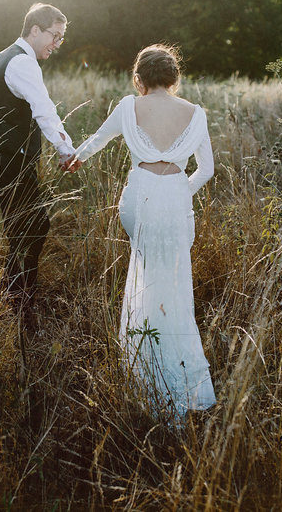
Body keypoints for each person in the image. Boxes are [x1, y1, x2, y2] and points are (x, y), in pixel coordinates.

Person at [66, 44, 216, 419]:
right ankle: (179, 377)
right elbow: (207, 169)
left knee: (146, 279)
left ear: (139, 79)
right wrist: (180, 190)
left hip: (140, 199)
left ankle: (143, 372)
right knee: (175, 284)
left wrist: (73, 158)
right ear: (174, 78)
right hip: (175, 200)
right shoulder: (196, 114)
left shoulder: (128, 107)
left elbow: (96, 142)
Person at [0, 3, 74, 322]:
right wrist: (66, 151)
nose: (57, 44)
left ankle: (15, 297)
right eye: (54, 36)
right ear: (35, 30)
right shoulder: (23, 64)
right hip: (9, 160)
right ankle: (21, 306)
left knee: (23, 227)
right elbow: (44, 110)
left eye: (61, 38)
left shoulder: (1, 58)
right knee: (33, 227)